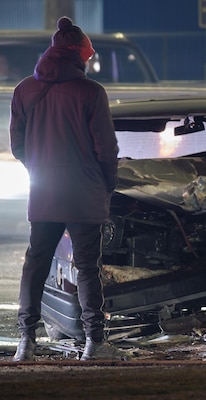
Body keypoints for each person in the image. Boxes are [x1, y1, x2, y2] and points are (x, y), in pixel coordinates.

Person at [10, 17, 120, 361]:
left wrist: (40, 169)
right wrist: (108, 184)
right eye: (86, 57)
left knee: (36, 262)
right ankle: (94, 343)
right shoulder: (91, 92)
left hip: (45, 191)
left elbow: (18, 146)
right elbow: (106, 148)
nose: (87, 62)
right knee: (87, 267)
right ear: (78, 55)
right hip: (85, 191)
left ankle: (26, 342)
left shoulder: (25, 89)